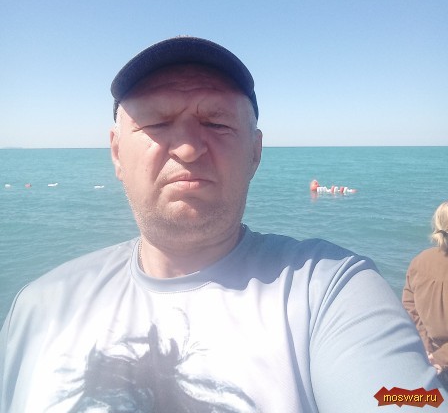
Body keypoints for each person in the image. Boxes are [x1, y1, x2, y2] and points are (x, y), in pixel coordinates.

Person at [0, 36, 445, 413]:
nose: (188, 148)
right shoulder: (38, 308)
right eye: (157, 122)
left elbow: (404, 398)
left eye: (216, 122)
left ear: (255, 152)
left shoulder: (332, 290)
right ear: (117, 153)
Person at [403, 201, 448, 390]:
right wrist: (440, 358)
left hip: (427, 358)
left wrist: (426, 348)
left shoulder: (420, 261)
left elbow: (409, 307)